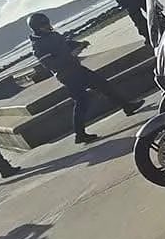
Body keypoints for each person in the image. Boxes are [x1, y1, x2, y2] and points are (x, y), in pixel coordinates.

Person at [27, 14, 141, 144]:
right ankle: (80, 134)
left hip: (76, 69)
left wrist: (79, 44)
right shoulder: (37, 46)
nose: (48, 26)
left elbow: (65, 44)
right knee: (82, 101)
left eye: (47, 23)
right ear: (37, 28)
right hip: (67, 75)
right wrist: (71, 55)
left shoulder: (52, 35)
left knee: (103, 85)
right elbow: (52, 64)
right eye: (44, 25)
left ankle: (127, 106)